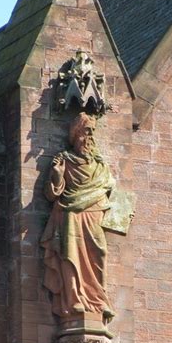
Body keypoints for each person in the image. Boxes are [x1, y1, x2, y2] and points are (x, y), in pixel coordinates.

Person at [41, 112, 115, 320]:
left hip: (95, 216)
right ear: (76, 134)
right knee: (70, 256)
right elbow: (53, 193)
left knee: (99, 254)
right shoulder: (65, 161)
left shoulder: (101, 166)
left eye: (92, 131)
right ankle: (73, 300)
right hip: (71, 216)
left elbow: (111, 191)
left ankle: (98, 301)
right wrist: (56, 174)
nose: (90, 136)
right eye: (86, 131)